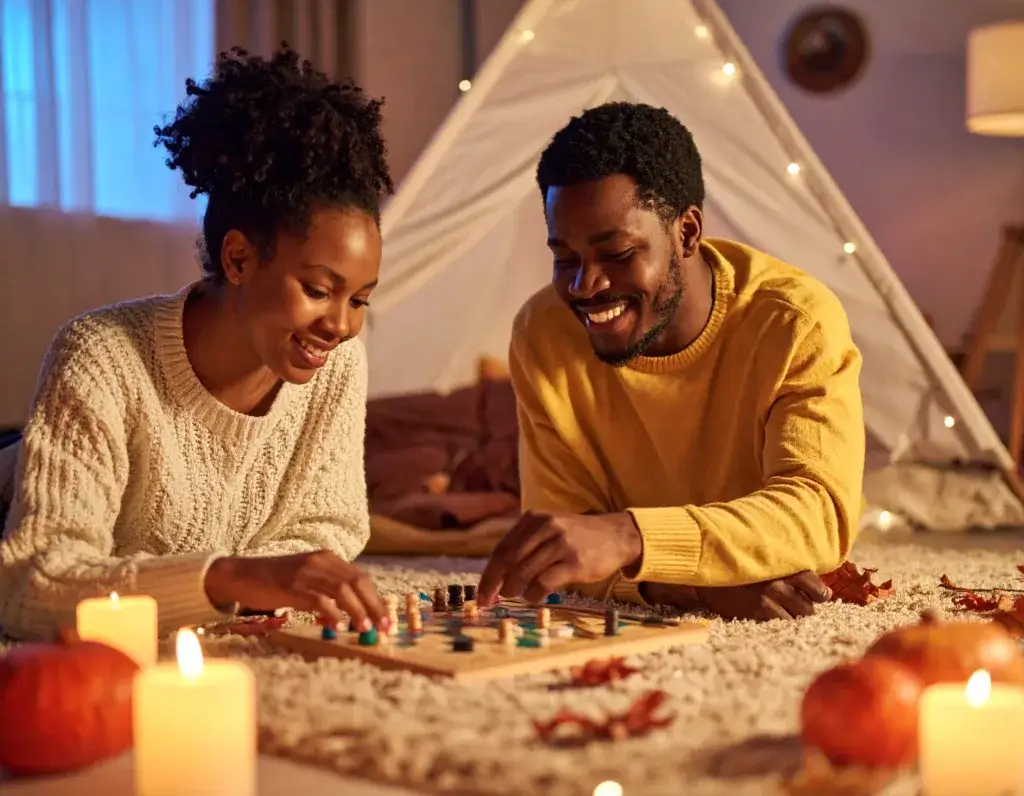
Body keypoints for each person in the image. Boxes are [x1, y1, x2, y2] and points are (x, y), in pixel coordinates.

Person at [0, 46, 394, 640]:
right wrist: (226, 579)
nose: (340, 325)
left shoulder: (337, 365)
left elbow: (327, 528)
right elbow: (34, 588)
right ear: (238, 258)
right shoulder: (102, 356)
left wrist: (263, 581)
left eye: (360, 299)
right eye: (318, 289)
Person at [477, 102, 864, 621]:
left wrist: (628, 535)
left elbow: (818, 517)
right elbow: (563, 542)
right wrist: (697, 588)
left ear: (686, 233)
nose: (583, 285)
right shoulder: (543, 332)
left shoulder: (794, 321)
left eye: (616, 254)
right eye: (564, 258)